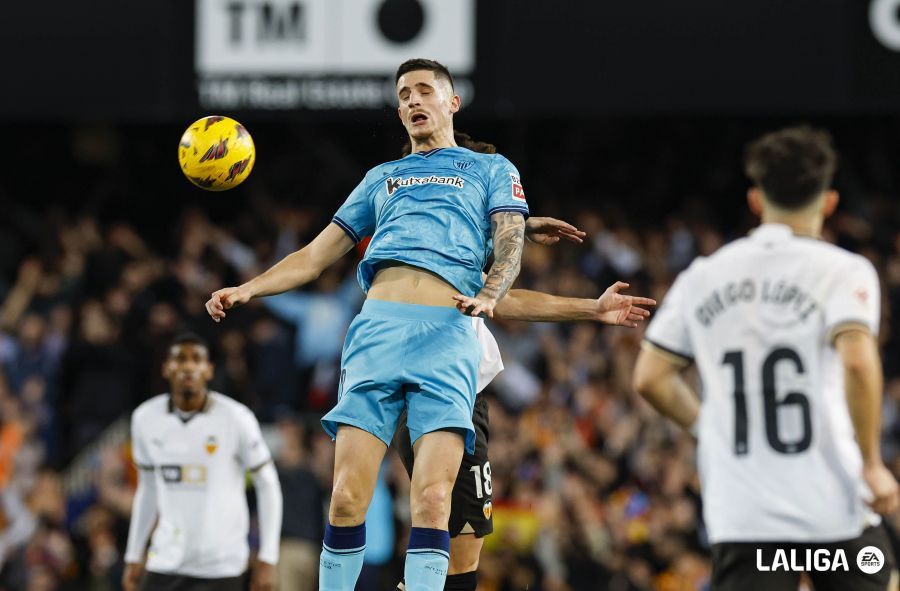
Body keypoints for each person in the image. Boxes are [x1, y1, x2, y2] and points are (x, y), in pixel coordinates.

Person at [205, 57, 535, 591]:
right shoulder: (382, 178)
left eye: (424, 90)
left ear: (451, 102)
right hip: (377, 331)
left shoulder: (492, 170)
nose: (412, 101)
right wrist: (249, 289)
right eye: (403, 95)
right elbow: (315, 256)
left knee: (432, 500)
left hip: (447, 337)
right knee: (344, 499)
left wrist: (491, 293)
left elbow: (510, 242)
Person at [632, 125, 900, 590]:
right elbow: (858, 361)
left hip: (744, 515)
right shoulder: (843, 271)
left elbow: (650, 378)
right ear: (830, 201)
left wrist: (708, 428)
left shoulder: (703, 276)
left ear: (756, 200)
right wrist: (874, 463)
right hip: (832, 507)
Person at [395, 280, 656, 591]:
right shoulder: (426, 255)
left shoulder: (460, 254)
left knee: (460, 557)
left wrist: (592, 307)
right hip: (437, 397)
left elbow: (508, 301)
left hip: (457, 399)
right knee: (443, 531)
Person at [122, 333, 283, 591]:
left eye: (196, 359)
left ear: (209, 370)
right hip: (166, 559)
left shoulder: (236, 418)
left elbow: (268, 485)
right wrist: (133, 554)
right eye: (179, 359)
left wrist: (268, 556)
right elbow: (148, 489)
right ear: (166, 368)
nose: (188, 366)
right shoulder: (145, 419)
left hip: (222, 564)